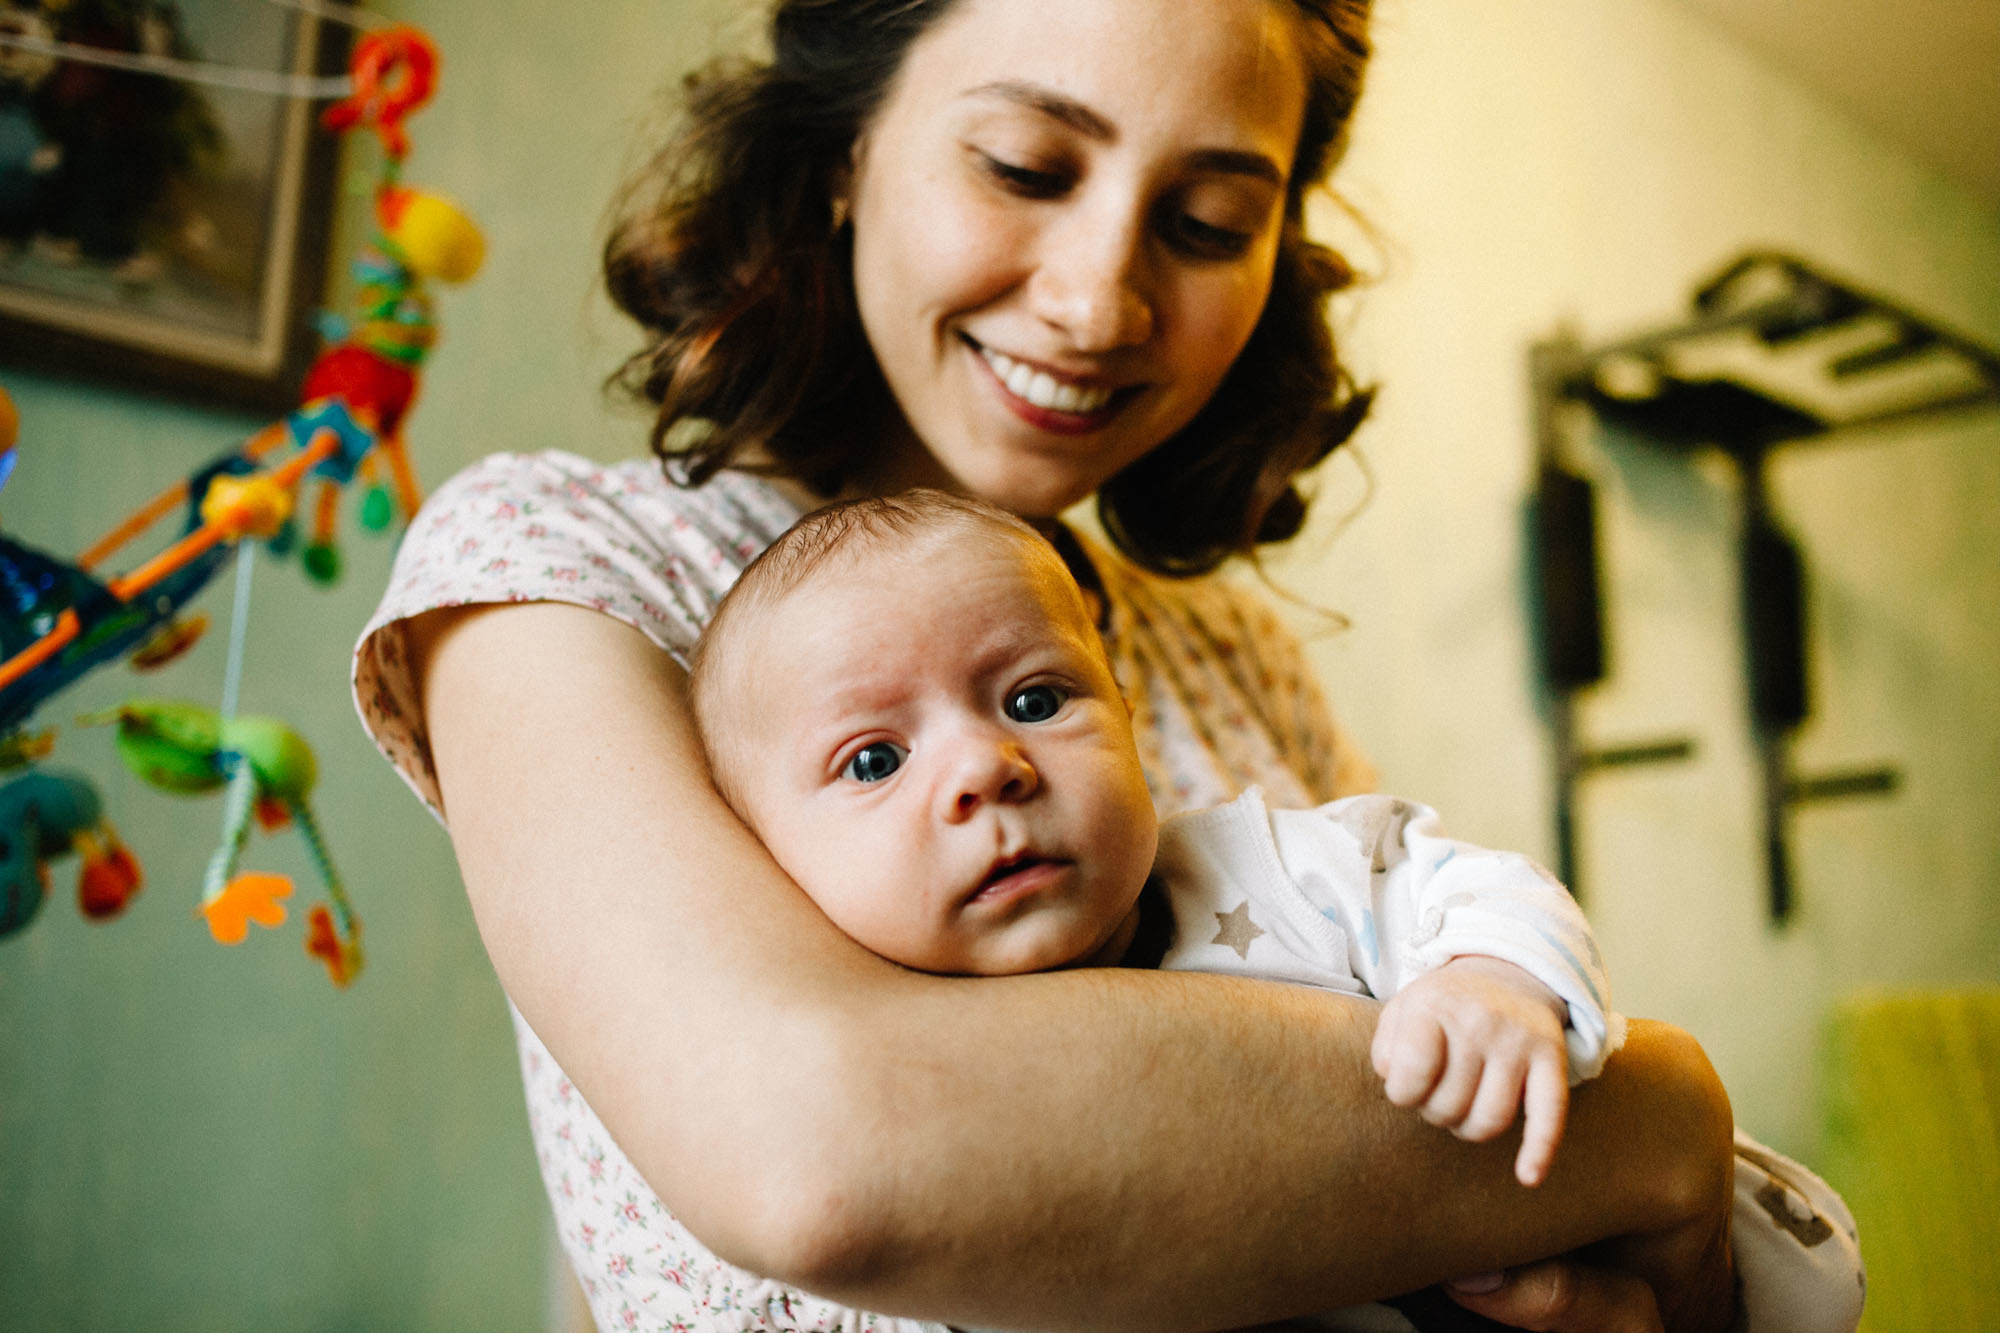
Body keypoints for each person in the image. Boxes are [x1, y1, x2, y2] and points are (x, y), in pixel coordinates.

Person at [354, 0, 1814, 1327]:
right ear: (847, 151)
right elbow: (828, 1157)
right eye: (1027, 167)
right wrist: (1666, 1121)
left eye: (1205, 220)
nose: (1100, 300)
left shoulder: (1231, 653)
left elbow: (1451, 997)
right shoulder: (561, 559)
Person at [675, 490, 1863, 1333]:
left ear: (1126, 714)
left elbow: (1471, 886)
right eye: (873, 761)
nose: (985, 768)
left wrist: (1490, 982)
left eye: (1034, 696)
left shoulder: (1272, 869)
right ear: (765, 856)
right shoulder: (852, 1048)